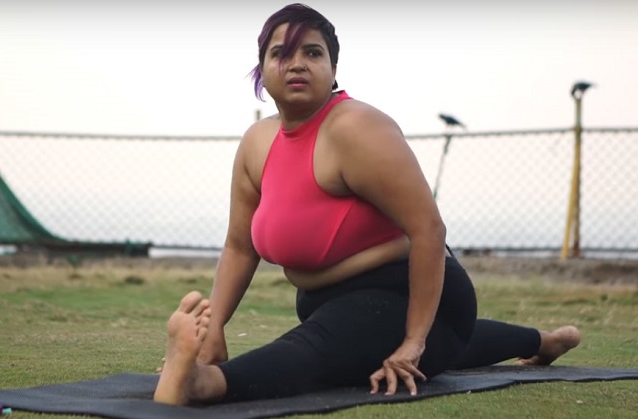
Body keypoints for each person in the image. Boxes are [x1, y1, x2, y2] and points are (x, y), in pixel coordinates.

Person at [154, 3, 581, 406]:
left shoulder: (357, 128)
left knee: (322, 347)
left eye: (313, 53)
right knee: (383, 335)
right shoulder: (257, 143)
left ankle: (204, 384)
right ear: (262, 70)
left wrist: (413, 343)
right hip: (332, 301)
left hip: (414, 293)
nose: (297, 63)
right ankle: (543, 342)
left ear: (333, 70)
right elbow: (239, 246)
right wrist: (216, 328)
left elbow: (429, 230)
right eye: (280, 53)